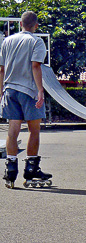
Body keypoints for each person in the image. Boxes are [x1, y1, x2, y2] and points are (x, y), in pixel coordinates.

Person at [0, 11, 52, 189]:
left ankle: (11, 169)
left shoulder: (7, 41)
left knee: (12, 131)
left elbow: (1, 69)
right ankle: (31, 169)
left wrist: (1, 92)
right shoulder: (36, 41)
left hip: (9, 89)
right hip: (28, 90)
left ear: (21, 23)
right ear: (36, 25)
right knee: (34, 130)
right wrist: (40, 90)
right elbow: (35, 65)